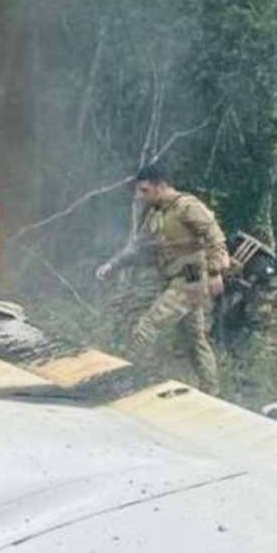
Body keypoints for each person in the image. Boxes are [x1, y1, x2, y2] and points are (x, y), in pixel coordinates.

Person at [96, 163, 230, 394]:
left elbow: (215, 237)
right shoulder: (158, 213)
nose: (140, 196)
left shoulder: (187, 207)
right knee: (194, 340)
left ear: (160, 186)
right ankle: (213, 392)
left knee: (146, 328)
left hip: (190, 277)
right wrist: (113, 264)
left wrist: (216, 272)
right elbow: (138, 247)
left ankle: (123, 383)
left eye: (144, 190)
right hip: (179, 278)